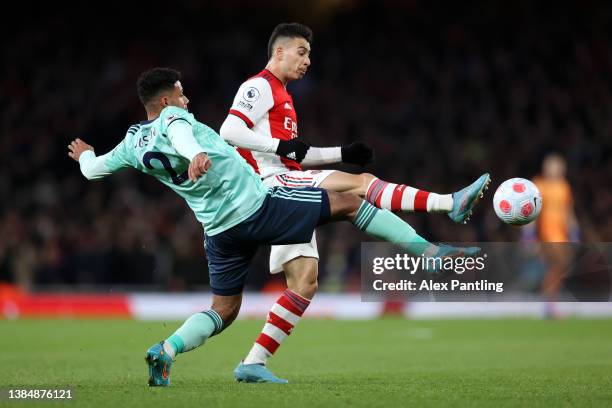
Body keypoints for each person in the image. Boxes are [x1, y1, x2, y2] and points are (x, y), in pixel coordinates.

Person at [68, 67, 480, 386]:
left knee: (224, 310)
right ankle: (428, 254)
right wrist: (194, 155)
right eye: (180, 92)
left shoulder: (131, 142)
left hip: (219, 232)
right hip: (257, 208)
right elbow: (179, 135)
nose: (186, 98)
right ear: (164, 98)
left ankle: (167, 349)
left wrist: (86, 154)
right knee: (351, 202)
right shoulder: (175, 120)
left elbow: (93, 171)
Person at [219, 22, 490, 376]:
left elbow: (295, 155)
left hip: (284, 182)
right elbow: (229, 130)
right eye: (301, 53)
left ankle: (253, 362)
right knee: (361, 185)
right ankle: (447, 208)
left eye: (310, 56)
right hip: (272, 185)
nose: (307, 61)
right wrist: (280, 146)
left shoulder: (284, 97)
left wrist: (341, 152)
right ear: (279, 52)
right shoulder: (259, 87)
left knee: (305, 282)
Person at [531, 153, 579, 317]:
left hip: (561, 234)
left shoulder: (564, 187)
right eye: (551, 166)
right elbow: (531, 212)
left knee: (559, 268)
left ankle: (549, 302)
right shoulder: (539, 185)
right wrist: (529, 235)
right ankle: (548, 304)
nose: (555, 170)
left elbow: (568, 212)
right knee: (558, 267)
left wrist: (574, 233)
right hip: (547, 234)